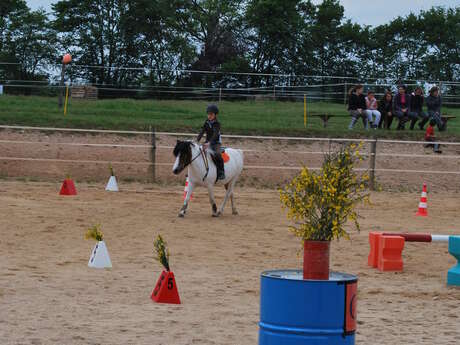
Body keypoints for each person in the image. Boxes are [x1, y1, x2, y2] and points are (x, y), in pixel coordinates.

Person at [197, 104, 225, 180]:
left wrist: (209, 143)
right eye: (208, 114)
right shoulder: (206, 122)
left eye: (211, 114)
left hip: (216, 142)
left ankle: (221, 172)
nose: (209, 116)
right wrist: (197, 140)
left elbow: (216, 134)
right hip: (207, 142)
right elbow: (202, 131)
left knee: (217, 155)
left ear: (215, 115)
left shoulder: (217, 124)